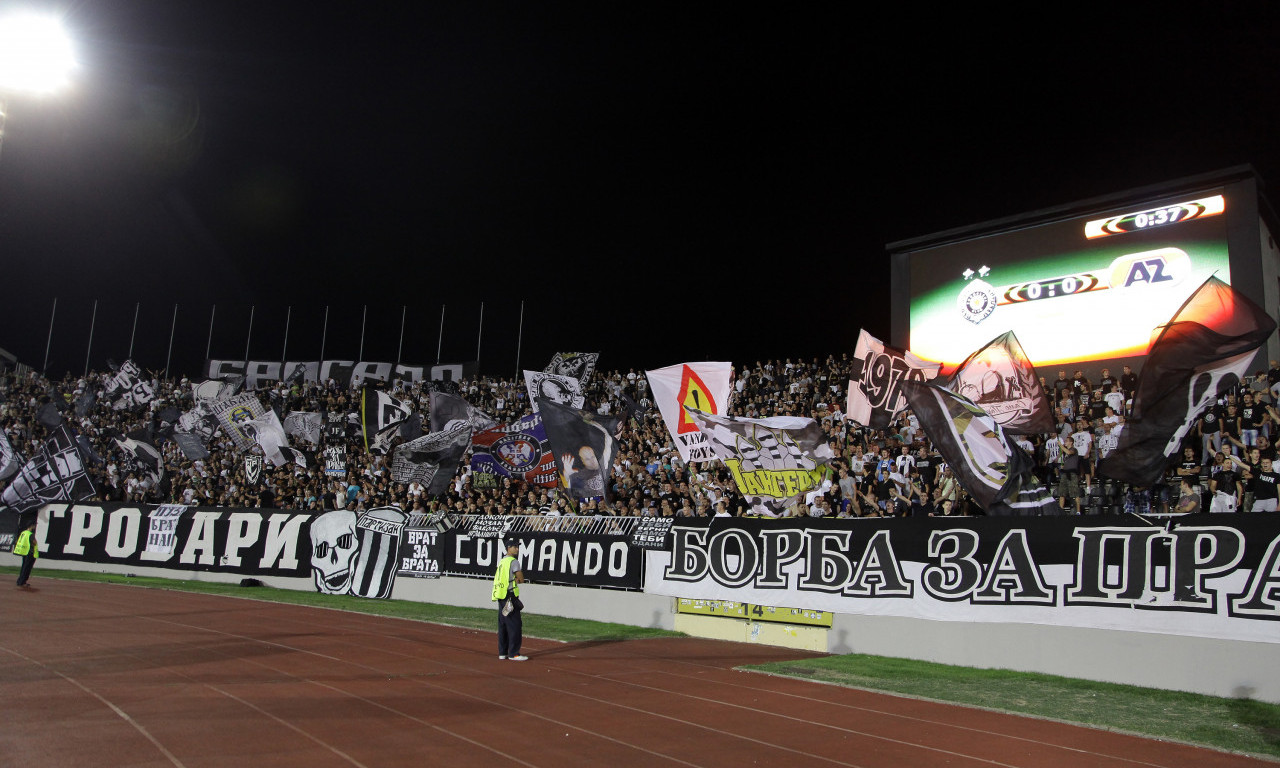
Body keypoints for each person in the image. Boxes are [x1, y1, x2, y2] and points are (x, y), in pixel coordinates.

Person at [491, 541, 527, 661]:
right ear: (508, 548)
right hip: (509, 596)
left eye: (517, 547)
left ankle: (503, 652)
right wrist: (517, 580)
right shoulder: (513, 561)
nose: (517, 549)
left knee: (503, 624)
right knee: (514, 625)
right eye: (515, 547)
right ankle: (514, 653)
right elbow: (521, 578)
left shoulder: (502, 561)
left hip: (500, 596)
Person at [14, 520, 38, 588]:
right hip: (30, 552)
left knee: (24, 567)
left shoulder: (24, 532)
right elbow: (34, 542)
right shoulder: (30, 534)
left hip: (24, 552)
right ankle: (22, 581)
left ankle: (20, 580)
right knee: (27, 568)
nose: (35, 526)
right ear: (32, 525)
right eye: (34, 525)